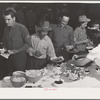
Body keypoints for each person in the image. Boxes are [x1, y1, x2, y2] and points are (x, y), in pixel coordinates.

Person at [2, 8, 31, 74]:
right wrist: (4, 49)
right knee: (10, 76)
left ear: (14, 18)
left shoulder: (22, 28)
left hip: (19, 60)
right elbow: (4, 41)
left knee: (19, 78)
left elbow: (28, 44)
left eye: (8, 19)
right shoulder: (6, 28)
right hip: (9, 59)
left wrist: (17, 50)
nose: (6, 22)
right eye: (5, 20)